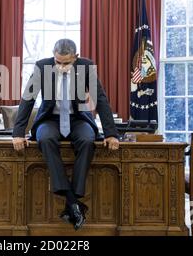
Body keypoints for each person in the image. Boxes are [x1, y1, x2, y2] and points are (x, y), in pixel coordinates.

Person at [12, 39, 119, 230]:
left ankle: (72, 201)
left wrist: (111, 134)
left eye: (66, 63)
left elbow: (100, 99)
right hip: (49, 120)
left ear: (75, 58)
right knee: (45, 138)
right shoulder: (42, 67)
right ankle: (74, 203)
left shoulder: (86, 67)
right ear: (53, 57)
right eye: (58, 62)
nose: (61, 67)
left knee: (88, 140)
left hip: (78, 119)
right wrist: (18, 133)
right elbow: (27, 99)